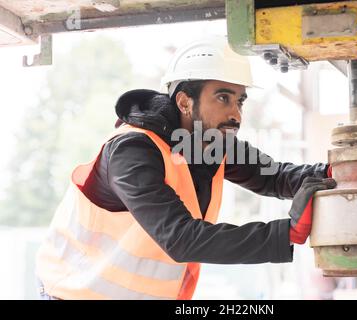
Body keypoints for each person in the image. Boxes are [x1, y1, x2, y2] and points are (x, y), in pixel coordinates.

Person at [35, 36, 335, 300]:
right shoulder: (132, 153)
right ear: (184, 102)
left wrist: (339, 172)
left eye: (240, 101)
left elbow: (276, 175)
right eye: (223, 98)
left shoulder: (210, 144)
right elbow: (181, 238)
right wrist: (284, 233)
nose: (236, 115)